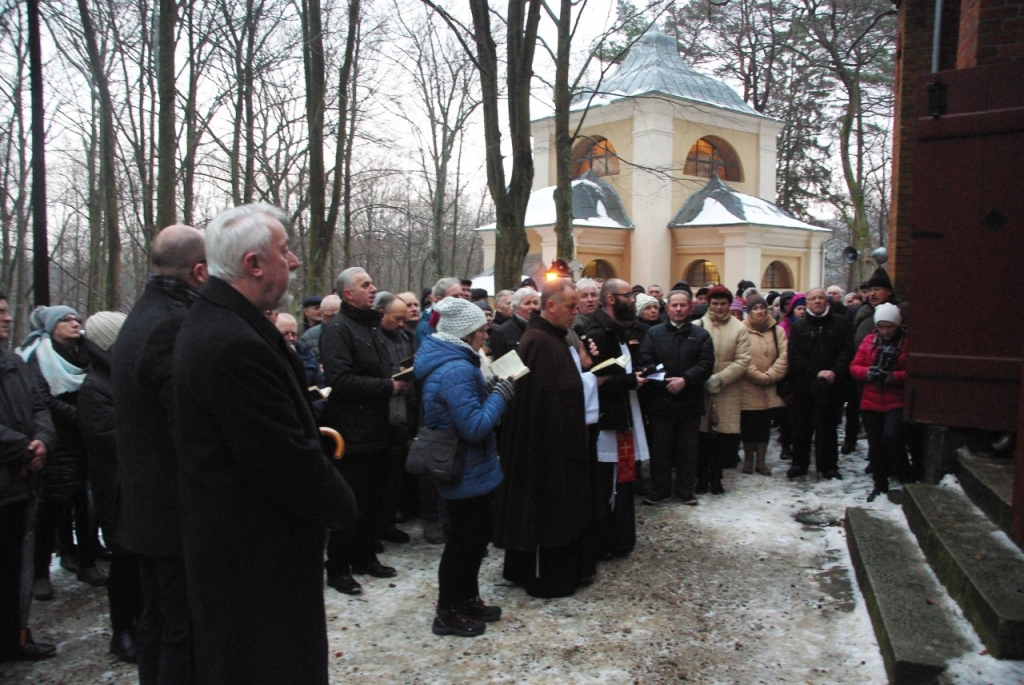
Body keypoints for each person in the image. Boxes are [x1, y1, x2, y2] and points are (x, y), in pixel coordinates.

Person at [171, 203, 356, 684]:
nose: (294, 261)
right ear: (254, 264)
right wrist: (342, 504)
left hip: (252, 551)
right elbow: (283, 459)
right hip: (252, 562)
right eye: (284, 250)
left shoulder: (227, 322)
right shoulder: (230, 341)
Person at [114, 224, 206, 684]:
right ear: (199, 271)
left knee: (158, 618)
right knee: (181, 627)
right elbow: (186, 428)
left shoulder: (140, 314)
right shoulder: (172, 324)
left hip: (146, 507)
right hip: (173, 512)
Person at [494, 279, 601, 598]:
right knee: (547, 512)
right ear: (550, 306)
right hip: (545, 448)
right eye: (571, 306)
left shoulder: (553, 337)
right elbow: (539, 399)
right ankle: (544, 576)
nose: (576, 311)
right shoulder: (539, 342)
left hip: (559, 442)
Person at [415, 297, 514, 637]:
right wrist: (502, 393)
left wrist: (488, 390)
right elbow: (473, 427)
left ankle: (467, 599)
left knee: (474, 540)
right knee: (461, 544)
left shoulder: (459, 364)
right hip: (462, 470)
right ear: (467, 333)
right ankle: (447, 612)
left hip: (471, 469)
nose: (487, 335)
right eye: (483, 330)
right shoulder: (456, 369)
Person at [321, 267, 405, 595]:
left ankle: (365, 556)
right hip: (351, 433)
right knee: (351, 502)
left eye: (372, 283)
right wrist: (388, 386)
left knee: (373, 499)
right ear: (348, 294)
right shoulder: (338, 329)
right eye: (365, 285)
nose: (373, 289)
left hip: (379, 426)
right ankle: (338, 568)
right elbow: (339, 380)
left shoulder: (370, 326)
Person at [20, 305, 106, 597]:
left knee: (85, 502)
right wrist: (83, 415)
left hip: (87, 435)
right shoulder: (38, 357)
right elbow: (42, 399)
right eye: (65, 319)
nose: (74, 323)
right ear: (51, 326)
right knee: (52, 505)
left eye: (75, 318)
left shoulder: (87, 352)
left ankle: (86, 560)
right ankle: (40, 573)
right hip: (57, 438)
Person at [79, 311, 141, 663]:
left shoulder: (121, 376)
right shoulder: (95, 387)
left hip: (135, 483)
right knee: (126, 562)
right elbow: (108, 437)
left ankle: (140, 621)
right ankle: (122, 631)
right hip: (116, 488)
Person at [0, 292, 57, 663]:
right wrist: (23, 446)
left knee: (12, 572)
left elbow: (41, 404)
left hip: (19, 488)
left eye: (6, 311)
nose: (7, 318)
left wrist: (43, 441)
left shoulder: (15, 363)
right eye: (0, 312)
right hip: (6, 478)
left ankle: (13, 638)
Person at [584, 280, 648, 557]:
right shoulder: (599, 333)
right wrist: (630, 381)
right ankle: (606, 541)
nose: (633, 300)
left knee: (622, 480)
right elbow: (594, 382)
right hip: (607, 420)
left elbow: (619, 369)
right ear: (611, 299)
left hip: (622, 413)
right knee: (608, 482)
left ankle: (620, 539)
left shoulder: (617, 330)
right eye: (628, 296)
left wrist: (635, 374)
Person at [637, 290, 714, 505]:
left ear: (690, 308)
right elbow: (646, 360)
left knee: (687, 449)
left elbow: (706, 364)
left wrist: (685, 380)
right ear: (667, 308)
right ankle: (660, 489)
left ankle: (684, 490)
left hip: (689, 402)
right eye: (674, 305)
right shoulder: (654, 333)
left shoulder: (701, 335)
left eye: (682, 305)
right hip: (661, 402)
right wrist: (665, 380)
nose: (678, 309)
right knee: (660, 448)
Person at [787, 287, 855, 480]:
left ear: (827, 301)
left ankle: (829, 466)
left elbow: (847, 350)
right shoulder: (799, 327)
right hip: (806, 385)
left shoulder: (841, 323)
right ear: (806, 303)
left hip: (833, 385)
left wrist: (833, 371)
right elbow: (795, 356)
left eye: (821, 298)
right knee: (802, 427)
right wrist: (816, 373)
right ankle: (799, 464)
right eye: (812, 298)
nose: (817, 301)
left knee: (828, 427)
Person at [693, 286, 752, 494]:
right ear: (709, 304)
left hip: (727, 389)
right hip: (700, 389)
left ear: (729, 304)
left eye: (723, 303)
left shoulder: (739, 328)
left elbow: (743, 360)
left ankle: (717, 477)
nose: (719, 307)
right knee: (701, 435)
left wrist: (719, 378)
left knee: (721, 438)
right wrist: (700, 378)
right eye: (715, 303)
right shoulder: (697, 325)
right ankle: (701, 477)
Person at [849, 303, 909, 501]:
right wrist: (868, 373)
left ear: (897, 325)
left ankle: (902, 472)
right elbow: (855, 366)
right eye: (881, 326)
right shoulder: (869, 341)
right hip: (871, 399)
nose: (885, 331)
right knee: (875, 444)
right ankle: (880, 483)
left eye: (889, 326)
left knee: (891, 436)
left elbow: (912, 371)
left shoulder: (906, 343)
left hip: (895, 399)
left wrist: (894, 377)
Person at [374, 292, 415, 545]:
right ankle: (374, 528)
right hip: (380, 414)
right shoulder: (373, 338)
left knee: (394, 477)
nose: (402, 324)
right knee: (378, 479)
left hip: (403, 413)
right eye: (397, 319)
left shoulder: (404, 337)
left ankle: (388, 522)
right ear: (382, 314)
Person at [738, 294, 788, 476]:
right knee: (749, 426)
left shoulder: (777, 331)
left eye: (762, 308)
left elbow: (784, 356)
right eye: (754, 308)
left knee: (764, 426)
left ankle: (761, 461)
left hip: (770, 386)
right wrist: (758, 377)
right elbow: (741, 357)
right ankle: (749, 460)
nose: (759, 312)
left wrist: (771, 375)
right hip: (748, 385)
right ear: (749, 311)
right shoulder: (741, 330)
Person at [488, 286, 539, 360]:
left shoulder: (543, 329)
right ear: (515, 308)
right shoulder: (501, 332)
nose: (533, 306)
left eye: (535, 303)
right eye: (527, 303)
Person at [300, 293, 341, 359]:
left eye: (337, 315)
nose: (334, 319)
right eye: (316, 308)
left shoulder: (350, 330)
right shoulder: (305, 335)